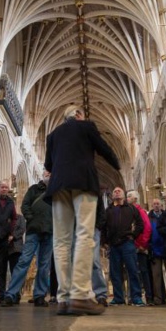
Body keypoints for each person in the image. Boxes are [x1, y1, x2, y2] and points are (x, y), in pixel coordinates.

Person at [44, 105, 120, 316]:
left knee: (60, 241)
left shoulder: (53, 134)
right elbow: (103, 148)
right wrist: (117, 163)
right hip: (83, 182)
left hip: (58, 186)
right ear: (78, 115)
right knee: (85, 234)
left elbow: (48, 165)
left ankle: (64, 297)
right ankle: (79, 295)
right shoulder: (86, 126)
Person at [0, 172, 54, 307]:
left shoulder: (56, 191)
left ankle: (40, 295)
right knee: (24, 261)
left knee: (44, 265)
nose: (49, 174)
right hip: (33, 231)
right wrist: (32, 219)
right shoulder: (34, 189)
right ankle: (11, 294)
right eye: (47, 172)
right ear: (43, 174)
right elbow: (25, 205)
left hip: (50, 232)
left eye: (52, 173)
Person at [102, 186, 145, 306]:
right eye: (114, 191)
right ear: (112, 196)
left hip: (127, 243)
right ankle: (118, 297)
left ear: (123, 195)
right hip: (113, 245)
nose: (116, 192)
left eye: (119, 191)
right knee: (115, 273)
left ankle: (136, 297)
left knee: (133, 270)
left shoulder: (131, 208)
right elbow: (103, 227)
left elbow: (140, 224)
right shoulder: (108, 210)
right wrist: (104, 241)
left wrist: (133, 236)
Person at [126, 190, 153, 305]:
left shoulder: (140, 211)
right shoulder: (127, 211)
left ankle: (149, 297)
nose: (127, 199)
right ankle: (133, 296)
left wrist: (142, 244)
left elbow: (147, 228)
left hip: (139, 246)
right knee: (132, 272)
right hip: (130, 246)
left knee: (143, 271)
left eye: (129, 196)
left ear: (135, 199)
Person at [0, 212, 25, 303]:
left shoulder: (20, 217)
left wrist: (12, 236)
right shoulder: (3, 216)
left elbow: (22, 229)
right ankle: (1, 295)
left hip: (15, 247)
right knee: (1, 271)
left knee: (15, 271)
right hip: (3, 246)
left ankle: (15, 294)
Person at [148, 198, 166, 305]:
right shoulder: (149, 218)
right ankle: (158, 298)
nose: (156, 205)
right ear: (152, 205)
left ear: (161, 205)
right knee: (156, 275)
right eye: (154, 204)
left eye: (158, 204)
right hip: (154, 249)